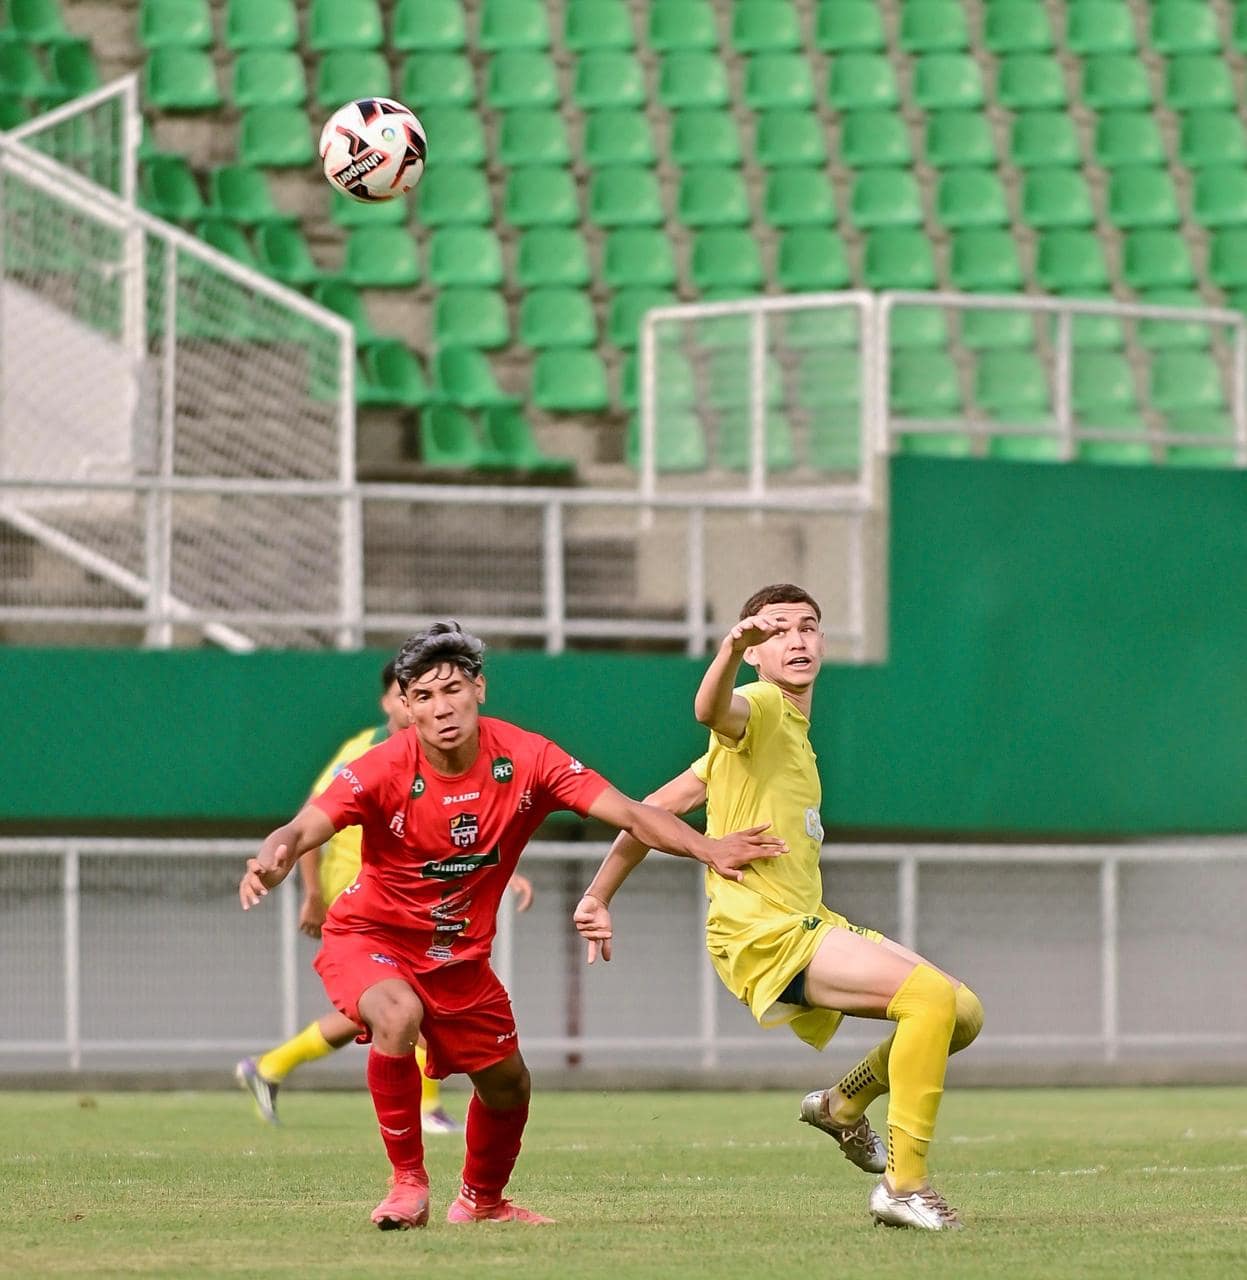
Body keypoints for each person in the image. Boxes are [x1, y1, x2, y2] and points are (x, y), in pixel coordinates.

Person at [238, 621, 785, 1231]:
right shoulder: (382, 766)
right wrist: (276, 854)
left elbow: (631, 813)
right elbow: (304, 827)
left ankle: (482, 1203)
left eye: (452, 690)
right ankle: (406, 1185)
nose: (441, 708)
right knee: (396, 1014)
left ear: (479, 689)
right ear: (406, 708)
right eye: (423, 697)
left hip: (460, 959)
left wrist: (710, 848)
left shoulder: (528, 758)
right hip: (373, 936)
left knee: (508, 1085)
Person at [573, 584, 984, 1232]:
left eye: (808, 627)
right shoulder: (758, 706)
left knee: (960, 1012)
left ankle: (840, 1108)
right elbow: (711, 708)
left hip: (804, 918)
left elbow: (646, 812)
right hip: (759, 929)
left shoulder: (786, 731)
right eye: (777, 631)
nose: (795, 640)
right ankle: (902, 1188)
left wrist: (597, 895)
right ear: (758, 656)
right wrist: (731, 647)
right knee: (928, 1000)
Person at [235, 660, 534, 1133]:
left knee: (381, 1012)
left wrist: (500, 872)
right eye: (412, 695)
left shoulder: (440, 754)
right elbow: (307, 821)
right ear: (393, 702)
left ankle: (270, 1066)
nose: (431, 707)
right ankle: (426, 1109)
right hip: (368, 894)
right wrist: (312, 893)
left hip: (419, 892)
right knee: (414, 998)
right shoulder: (368, 753)